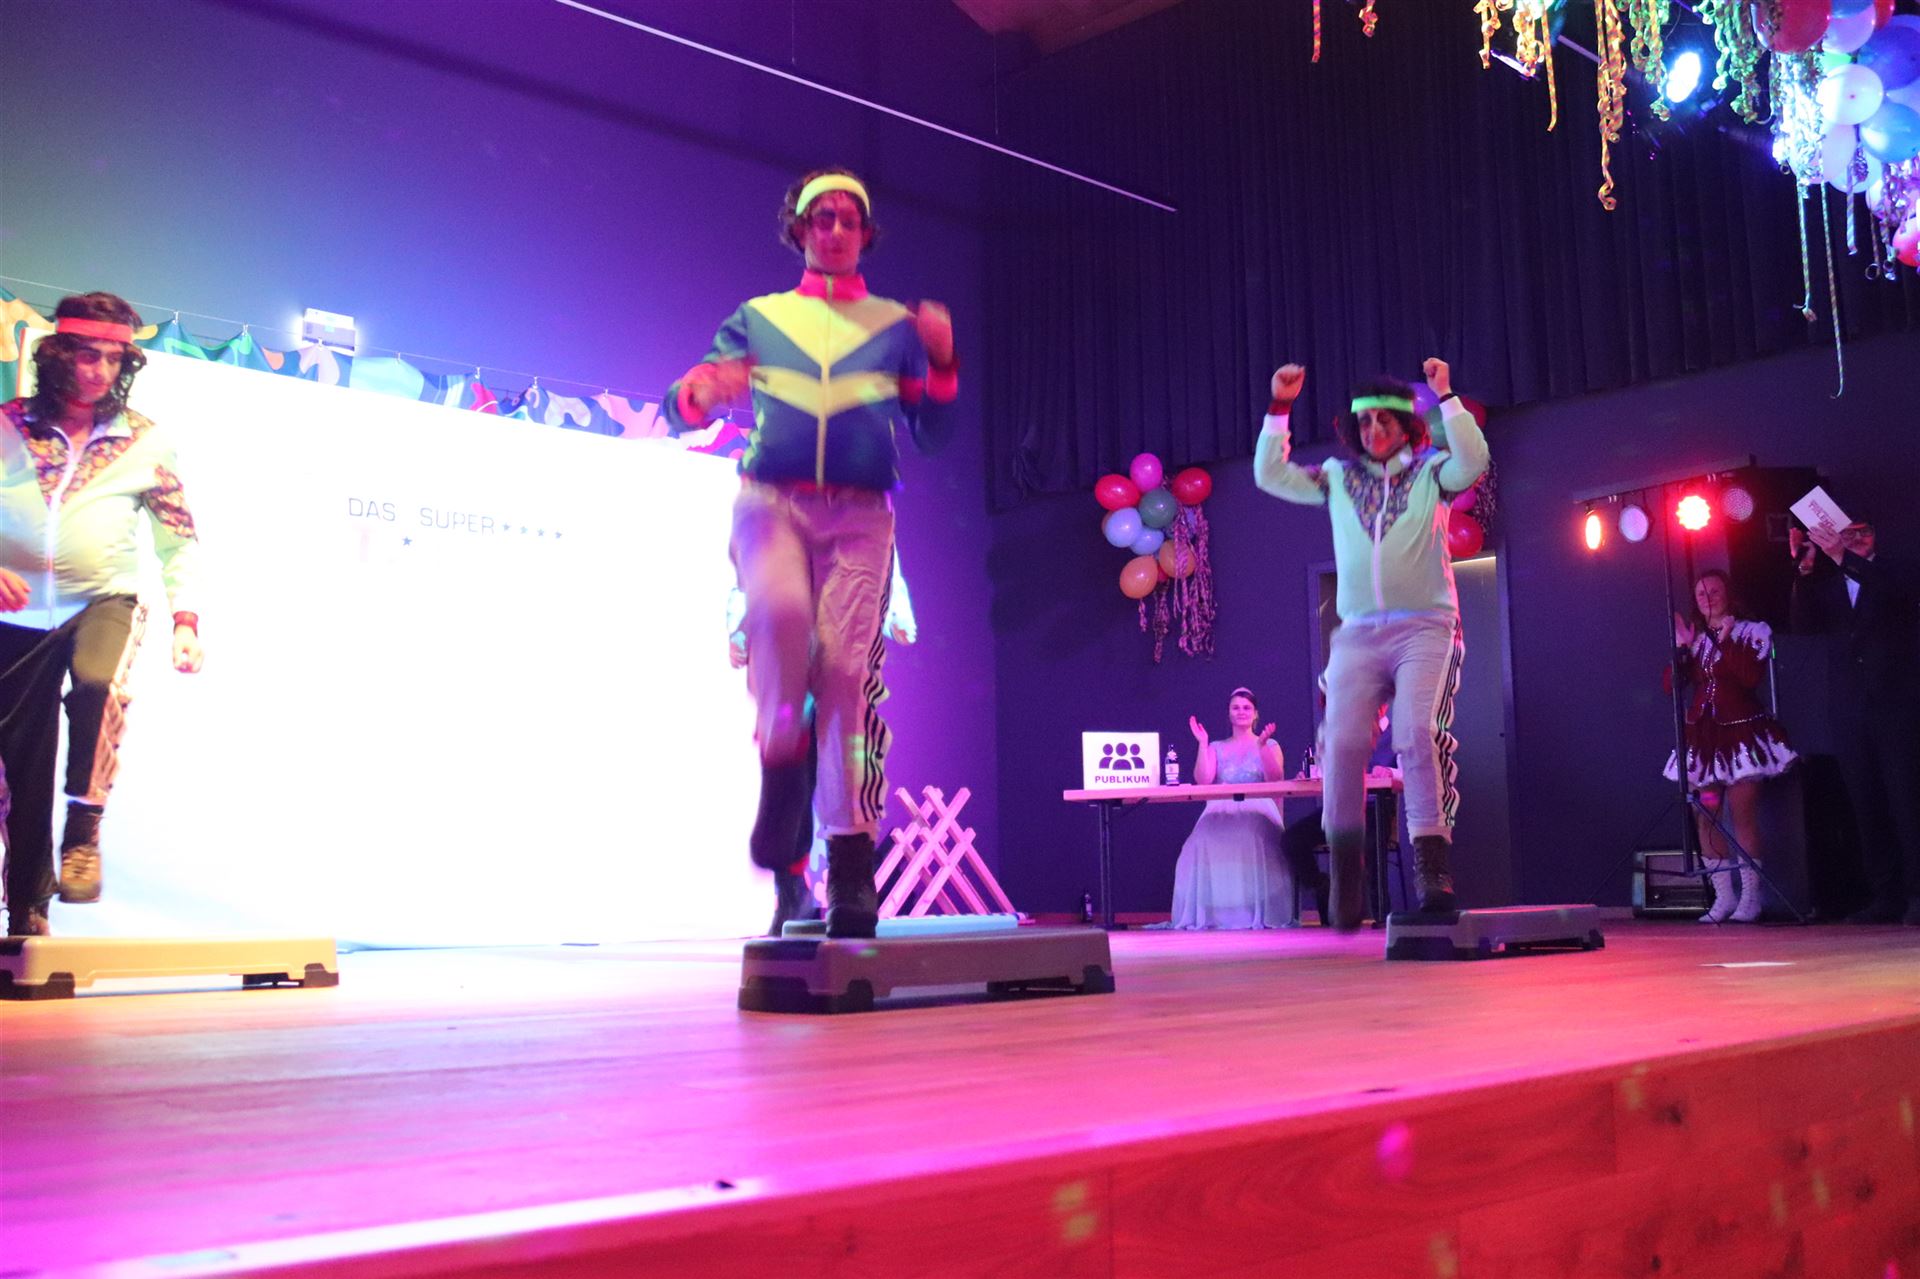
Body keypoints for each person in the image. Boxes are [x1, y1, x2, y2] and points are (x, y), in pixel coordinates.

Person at [665, 167, 957, 939]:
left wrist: (942, 365)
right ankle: (783, 804)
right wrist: (698, 393)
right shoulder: (760, 318)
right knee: (785, 628)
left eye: (846, 218)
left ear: (865, 233)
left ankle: (848, 863)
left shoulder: (894, 326)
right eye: (819, 217)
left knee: (844, 679)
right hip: (772, 504)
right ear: (797, 229)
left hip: (860, 516)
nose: (833, 229)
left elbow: (933, 433)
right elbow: (688, 400)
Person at [1254, 359, 1489, 930]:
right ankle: (1346, 872)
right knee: (1340, 744)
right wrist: (1280, 407)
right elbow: (1269, 475)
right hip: (1358, 633)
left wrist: (1446, 395)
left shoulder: (1432, 473)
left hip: (1425, 627)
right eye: (1364, 423)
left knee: (1415, 733)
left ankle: (1433, 869)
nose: (1374, 431)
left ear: (1406, 427)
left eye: (1385, 421)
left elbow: (1474, 461)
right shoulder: (1338, 478)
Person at [1, 292, 204, 937]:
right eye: (88, 356)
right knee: (21, 762)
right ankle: (26, 905)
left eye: (114, 359)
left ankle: (84, 825)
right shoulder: (9, 424)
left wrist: (185, 619)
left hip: (103, 600)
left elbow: (178, 537)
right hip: (16, 618)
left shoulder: (145, 440)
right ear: (58, 355)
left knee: (98, 686)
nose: (99, 371)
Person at [728, 555, 919, 936]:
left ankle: (848, 885)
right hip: (790, 647)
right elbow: (755, 558)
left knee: (845, 766)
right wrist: (739, 624)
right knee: (792, 769)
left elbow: (881, 555)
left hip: (843, 646)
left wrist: (897, 611)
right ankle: (791, 891)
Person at [1790, 518, 1920, 925]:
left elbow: (1895, 594)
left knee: (1906, 802)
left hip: (1895, 707)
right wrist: (1805, 568)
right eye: (1849, 533)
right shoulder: (1830, 585)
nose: (1858, 538)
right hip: (1849, 709)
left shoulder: (1895, 572)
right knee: (1866, 804)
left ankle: (1917, 894)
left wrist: (1844, 557)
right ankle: (1886, 896)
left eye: (1865, 531)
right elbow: (1802, 625)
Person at [1662, 569, 1797, 923]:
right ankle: (1723, 897)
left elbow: (1749, 676)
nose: (1708, 598)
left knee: (1742, 816)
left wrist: (1723, 639)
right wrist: (1682, 650)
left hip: (1741, 743)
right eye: (1701, 594)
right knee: (1706, 814)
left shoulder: (1751, 632)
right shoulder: (1695, 640)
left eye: (1714, 591)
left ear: (1728, 594)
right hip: (1706, 745)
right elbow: (1669, 685)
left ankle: (1751, 898)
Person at [1170, 687, 1290, 929]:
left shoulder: (1271, 744)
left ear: (1255, 714)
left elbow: (1275, 778)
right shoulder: (1217, 746)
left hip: (1257, 806)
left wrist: (1262, 746)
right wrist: (1202, 744)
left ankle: (1248, 912)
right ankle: (1211, 915)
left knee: (1250, 834)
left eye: (1246, 708)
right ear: (1229, 713)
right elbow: (1203, 780)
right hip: (1220, 808)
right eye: (1236, 707)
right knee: (1200, 839)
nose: (1241, 712)